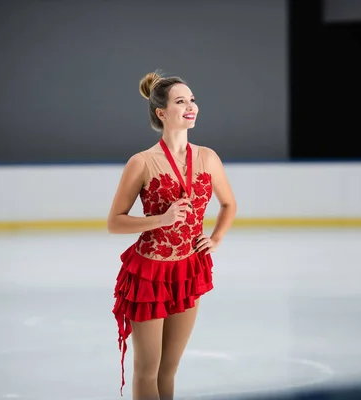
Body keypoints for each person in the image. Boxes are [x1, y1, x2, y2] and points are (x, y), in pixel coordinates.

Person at [107, 70, 237, 400]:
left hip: (187, 270)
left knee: (169, 369)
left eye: (192, 100)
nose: (191, 106)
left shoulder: (208, 157)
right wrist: (160, 220)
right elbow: (115, 222)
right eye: (181, 101)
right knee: (147, 370)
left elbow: (228, 204)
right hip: (149, 274)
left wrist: (217, 238)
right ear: (161, 113)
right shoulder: (141, 162)